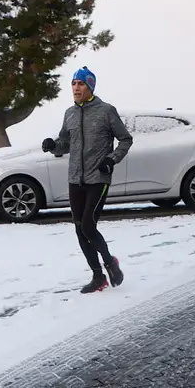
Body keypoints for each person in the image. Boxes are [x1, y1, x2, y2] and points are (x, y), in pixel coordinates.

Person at [42, 66, 134, 293]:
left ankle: (110, 263)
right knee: (79, 229)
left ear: (90, 87)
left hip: (98, 178)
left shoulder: (106, 111)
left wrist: (111, 159)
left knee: (88, 226)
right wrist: (53, 146)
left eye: (81, 84)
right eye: (73, 84)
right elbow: (64, 144)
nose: (76, 88)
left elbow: (125, 140)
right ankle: (98, 277)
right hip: (75, 179)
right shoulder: (70, 114)